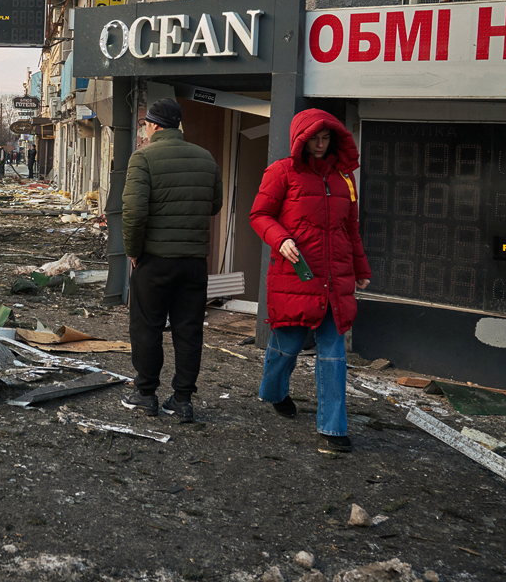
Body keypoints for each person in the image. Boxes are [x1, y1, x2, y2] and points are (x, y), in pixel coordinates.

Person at [251, 109, 371, 453]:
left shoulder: (344, 179)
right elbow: (259, 215)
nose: (320, 145)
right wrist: (280, 238)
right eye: (314, 138)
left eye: (326, 138)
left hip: (336, 279)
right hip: (295, 275)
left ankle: (333, 429)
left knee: (333, 354)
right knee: (286, 347)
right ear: (300, 139)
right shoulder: (281, 172)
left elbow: (350, 230)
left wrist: (360, 269)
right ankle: (274, 392)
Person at [121, 98, 222, 423]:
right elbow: (214, 204)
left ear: (152, 125)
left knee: (147, 326)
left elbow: (134, 212)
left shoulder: (143, 158)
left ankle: (146, 393)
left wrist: (133, 251)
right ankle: (181, 400)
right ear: (177, 126)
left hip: (154, 261)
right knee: (189, 330)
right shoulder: (206, 158)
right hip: (194, 262)